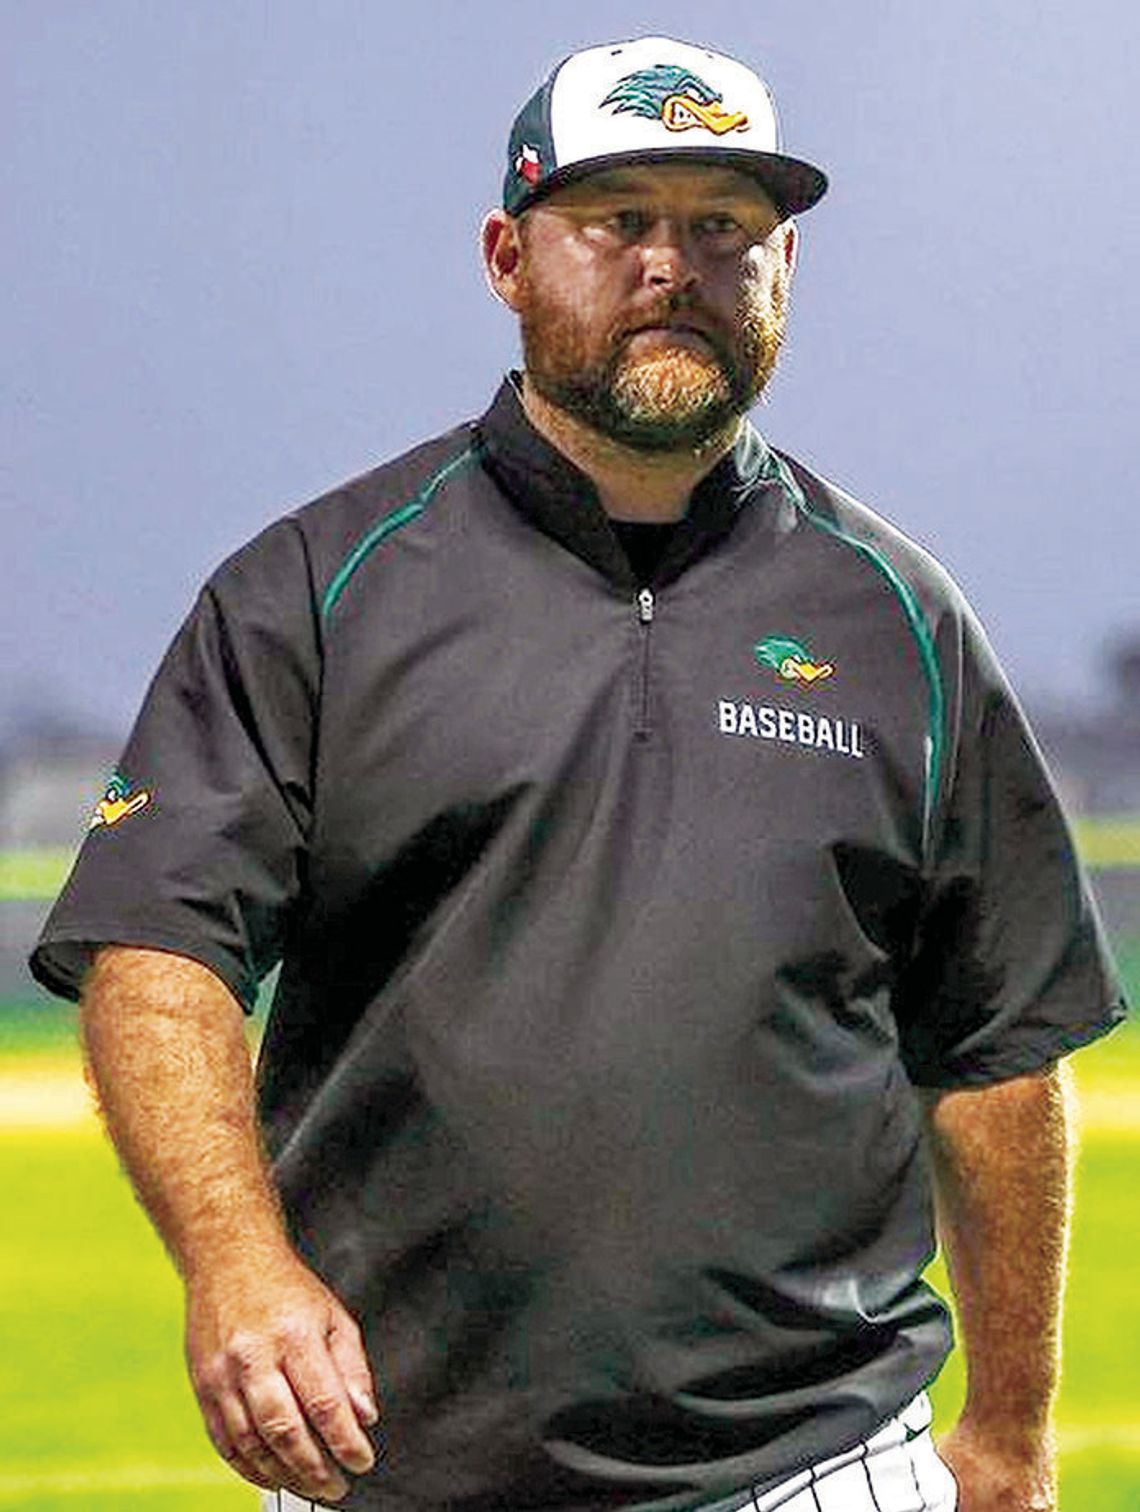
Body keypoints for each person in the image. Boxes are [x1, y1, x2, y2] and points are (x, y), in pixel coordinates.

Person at [31, 34, 1127, 1512]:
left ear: (784, 267)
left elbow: (997, 1046)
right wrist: (235, 1262)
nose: (674, 266)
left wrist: (1009, 1424)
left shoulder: (901, 620)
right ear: (507, 255)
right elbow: (158, 953)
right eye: (620, 223)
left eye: (724, 228)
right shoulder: (317, 589)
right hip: (394, 1459)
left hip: (821, 1463)